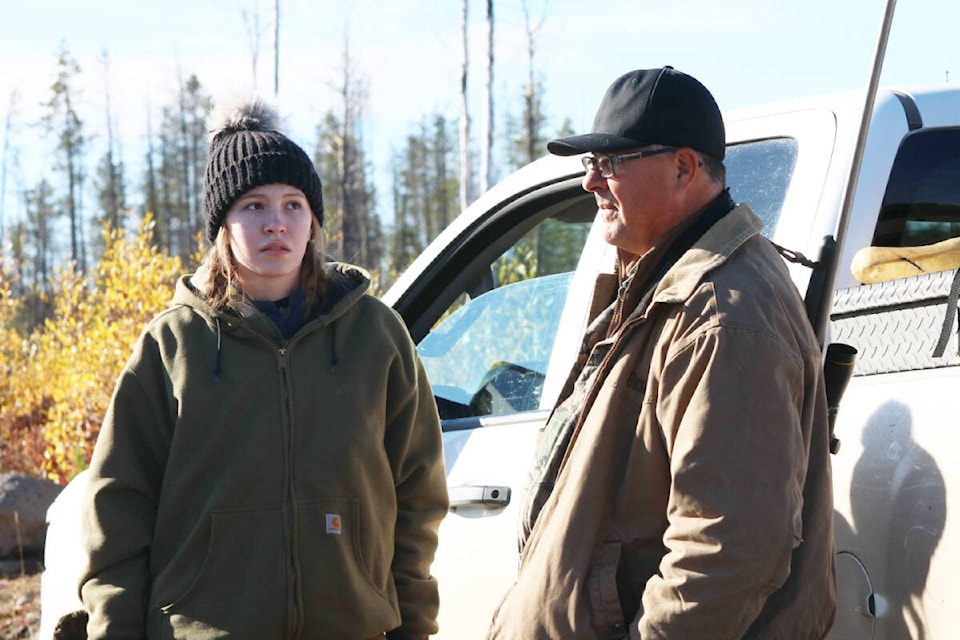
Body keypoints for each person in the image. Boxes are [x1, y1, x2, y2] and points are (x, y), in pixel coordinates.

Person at [78, 96, 448, 640]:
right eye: (254, 206)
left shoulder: (377, 336)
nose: (277, 223)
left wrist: (412, 626)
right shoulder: (172, 343)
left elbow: (417, 497)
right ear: (223, 225)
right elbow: (119, 505)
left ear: (313, 221)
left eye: (293, 204)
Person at [487, 67, 836, 639]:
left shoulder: (726, 315)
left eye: (611, 163)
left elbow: (726, 548)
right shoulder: (672, 284)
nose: (590, 183)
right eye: (588, 164)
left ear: (683, 167)